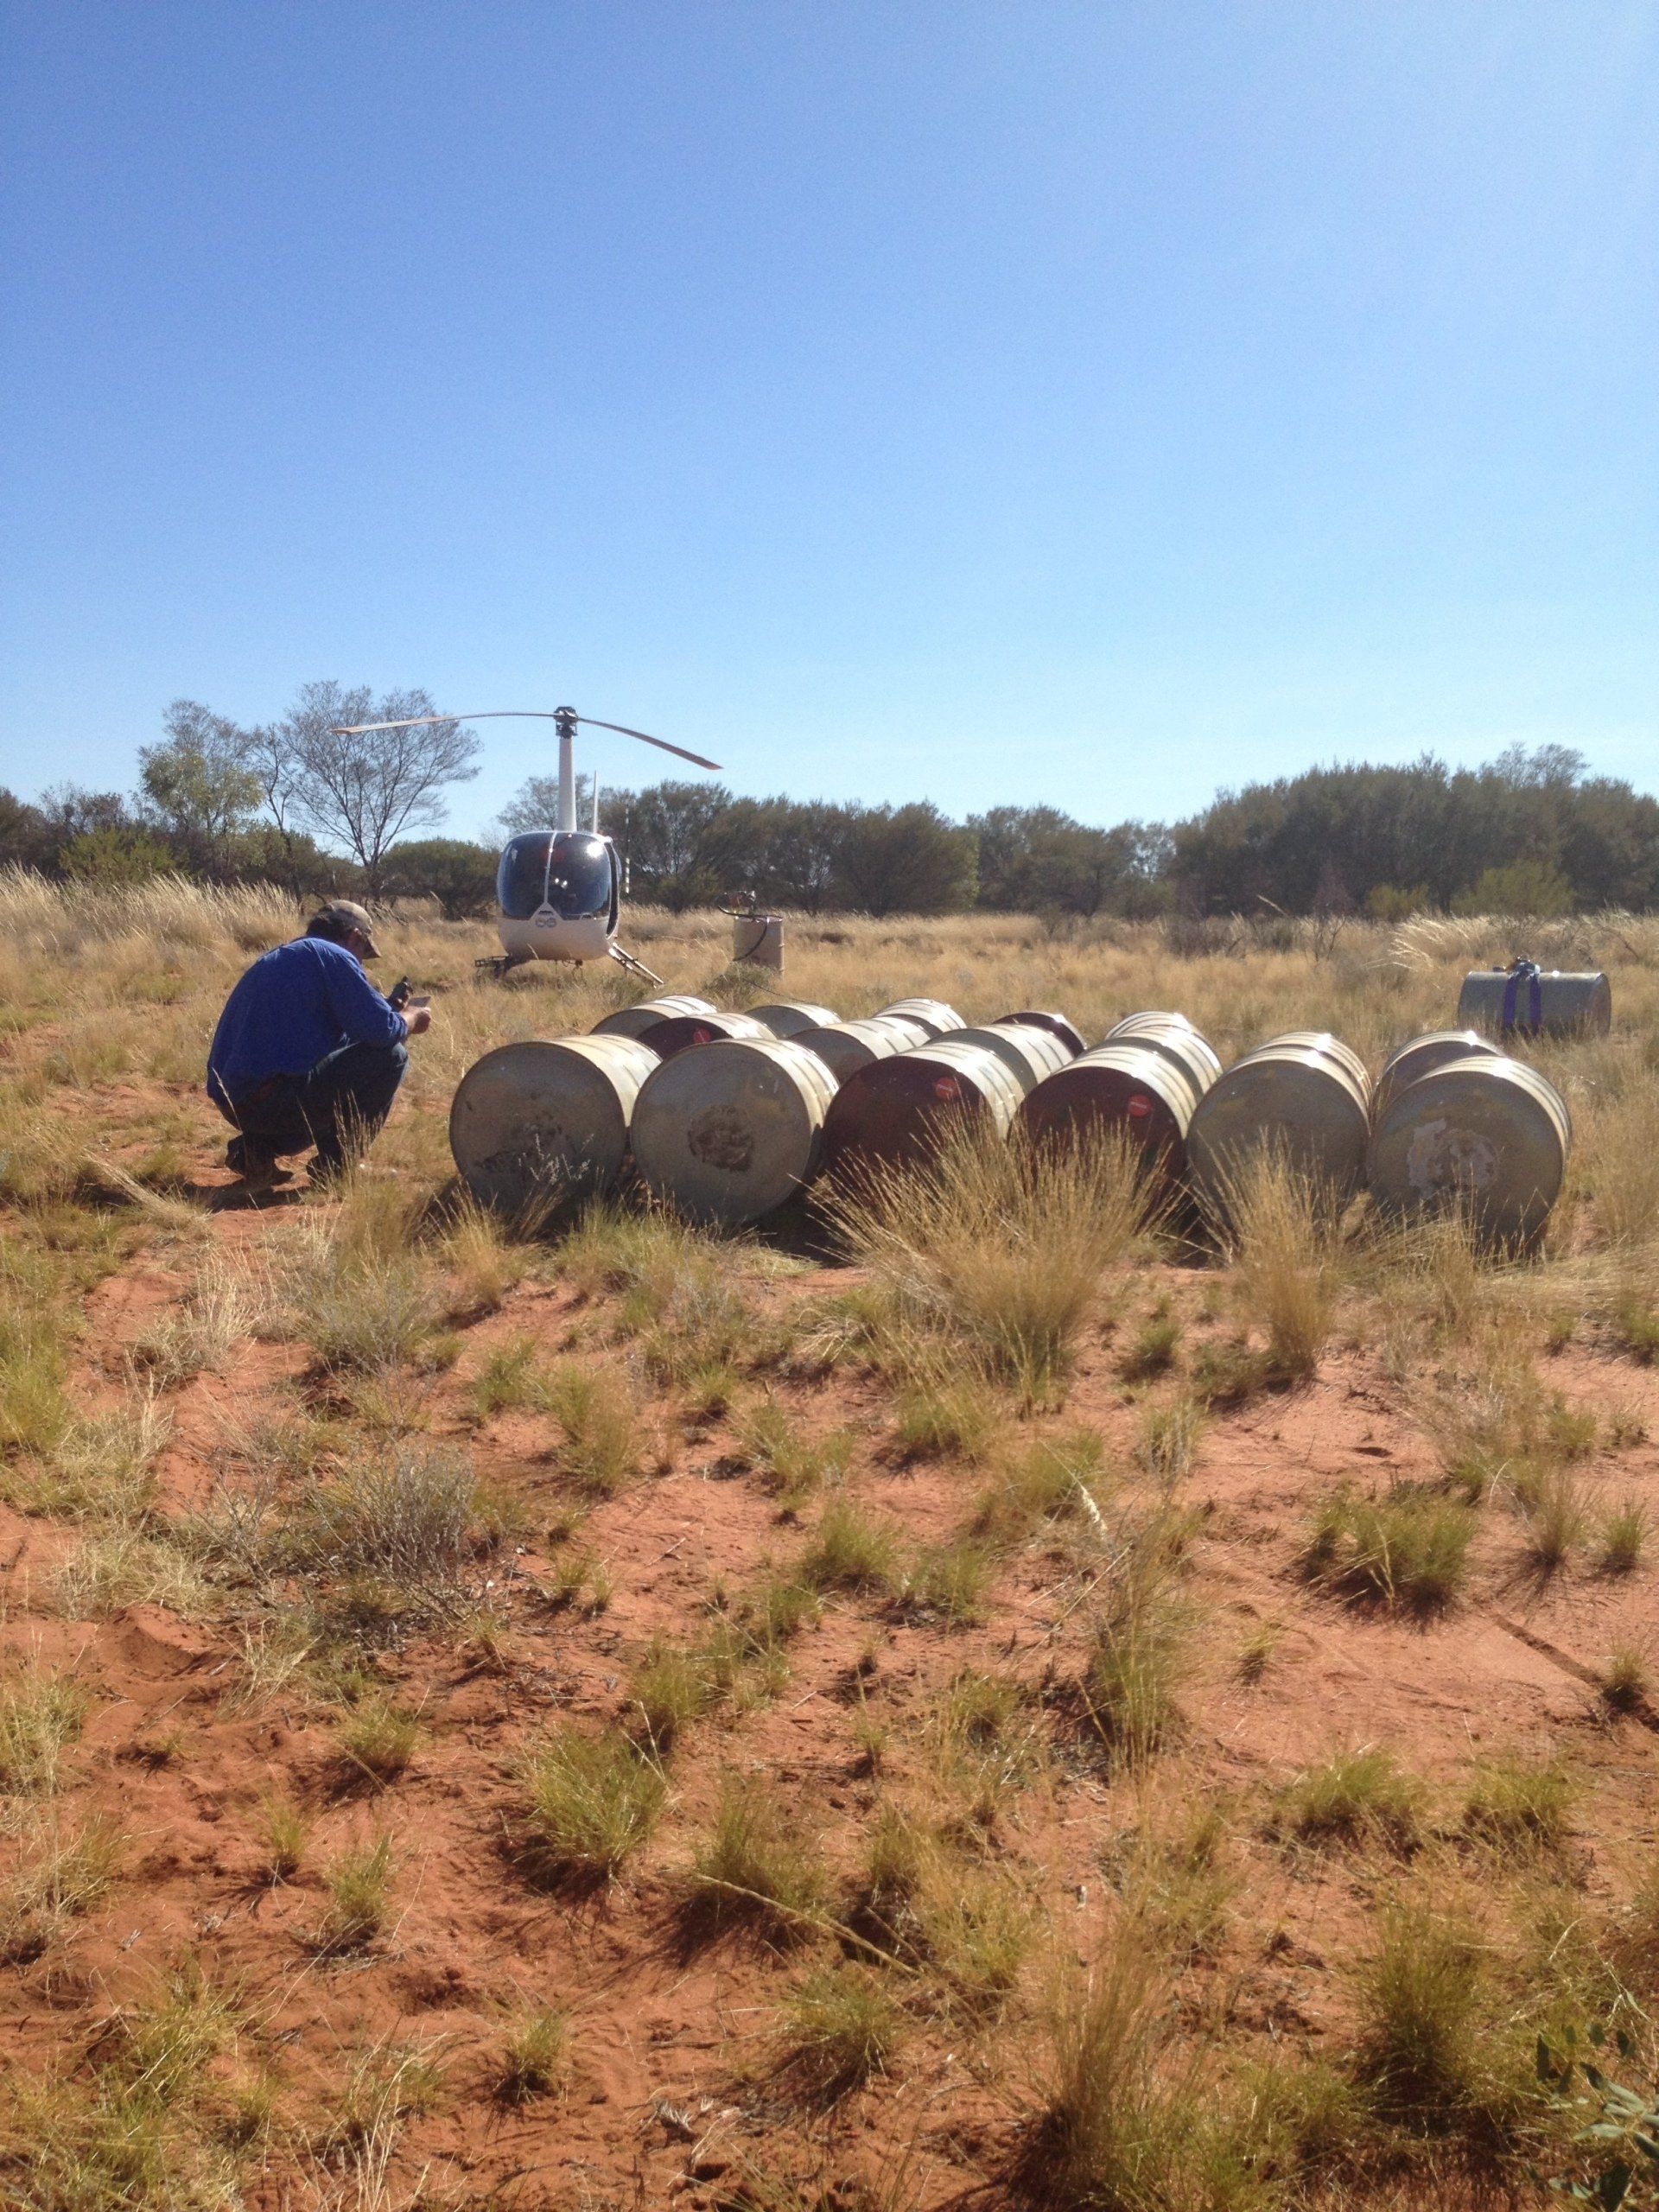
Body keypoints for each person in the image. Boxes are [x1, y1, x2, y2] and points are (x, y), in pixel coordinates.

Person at [207, 899, 431, 1186]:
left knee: (326, 1078)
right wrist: (411, 1018)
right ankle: (336, 1168)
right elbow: (382, 1032)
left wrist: (386, 1009)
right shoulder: (334, 955)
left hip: (238, 1104)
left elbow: (338, 1043)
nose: (360, 962)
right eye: (363, 951)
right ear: (354, 936)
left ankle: (254, 1151)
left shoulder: (287, 956)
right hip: (274, 1101)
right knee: (392, 1056)